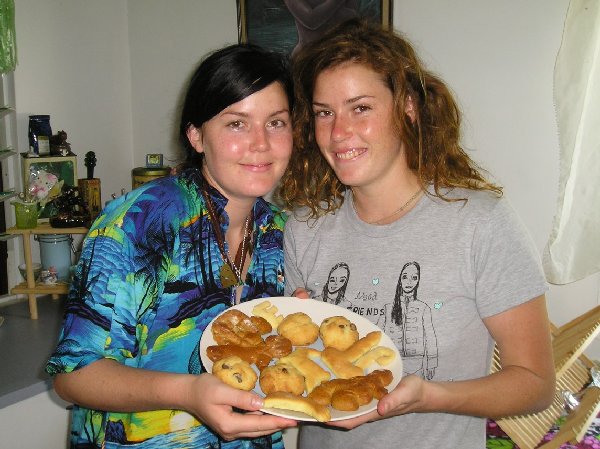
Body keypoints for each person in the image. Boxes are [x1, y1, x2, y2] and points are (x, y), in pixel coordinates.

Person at [275, 18, 555, 449]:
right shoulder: (304, 229)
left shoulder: (480, 223)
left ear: (407, 106)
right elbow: (307, 370)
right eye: (324, 113)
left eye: (361, 107)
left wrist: (429, 396)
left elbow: (535, 385)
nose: (338, 132)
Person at [46, 44, 297, 449]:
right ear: (196, 135)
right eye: (236, 124)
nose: (261, 143)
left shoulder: (280, 232)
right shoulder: (140, 223)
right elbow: (75, 376)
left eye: (276, 122)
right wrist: (189, 393)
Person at [283, 0, 358, 56]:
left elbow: (351, 17)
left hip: (341, 52)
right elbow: (311, 20)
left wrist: (321, 13)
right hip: (308, 55)